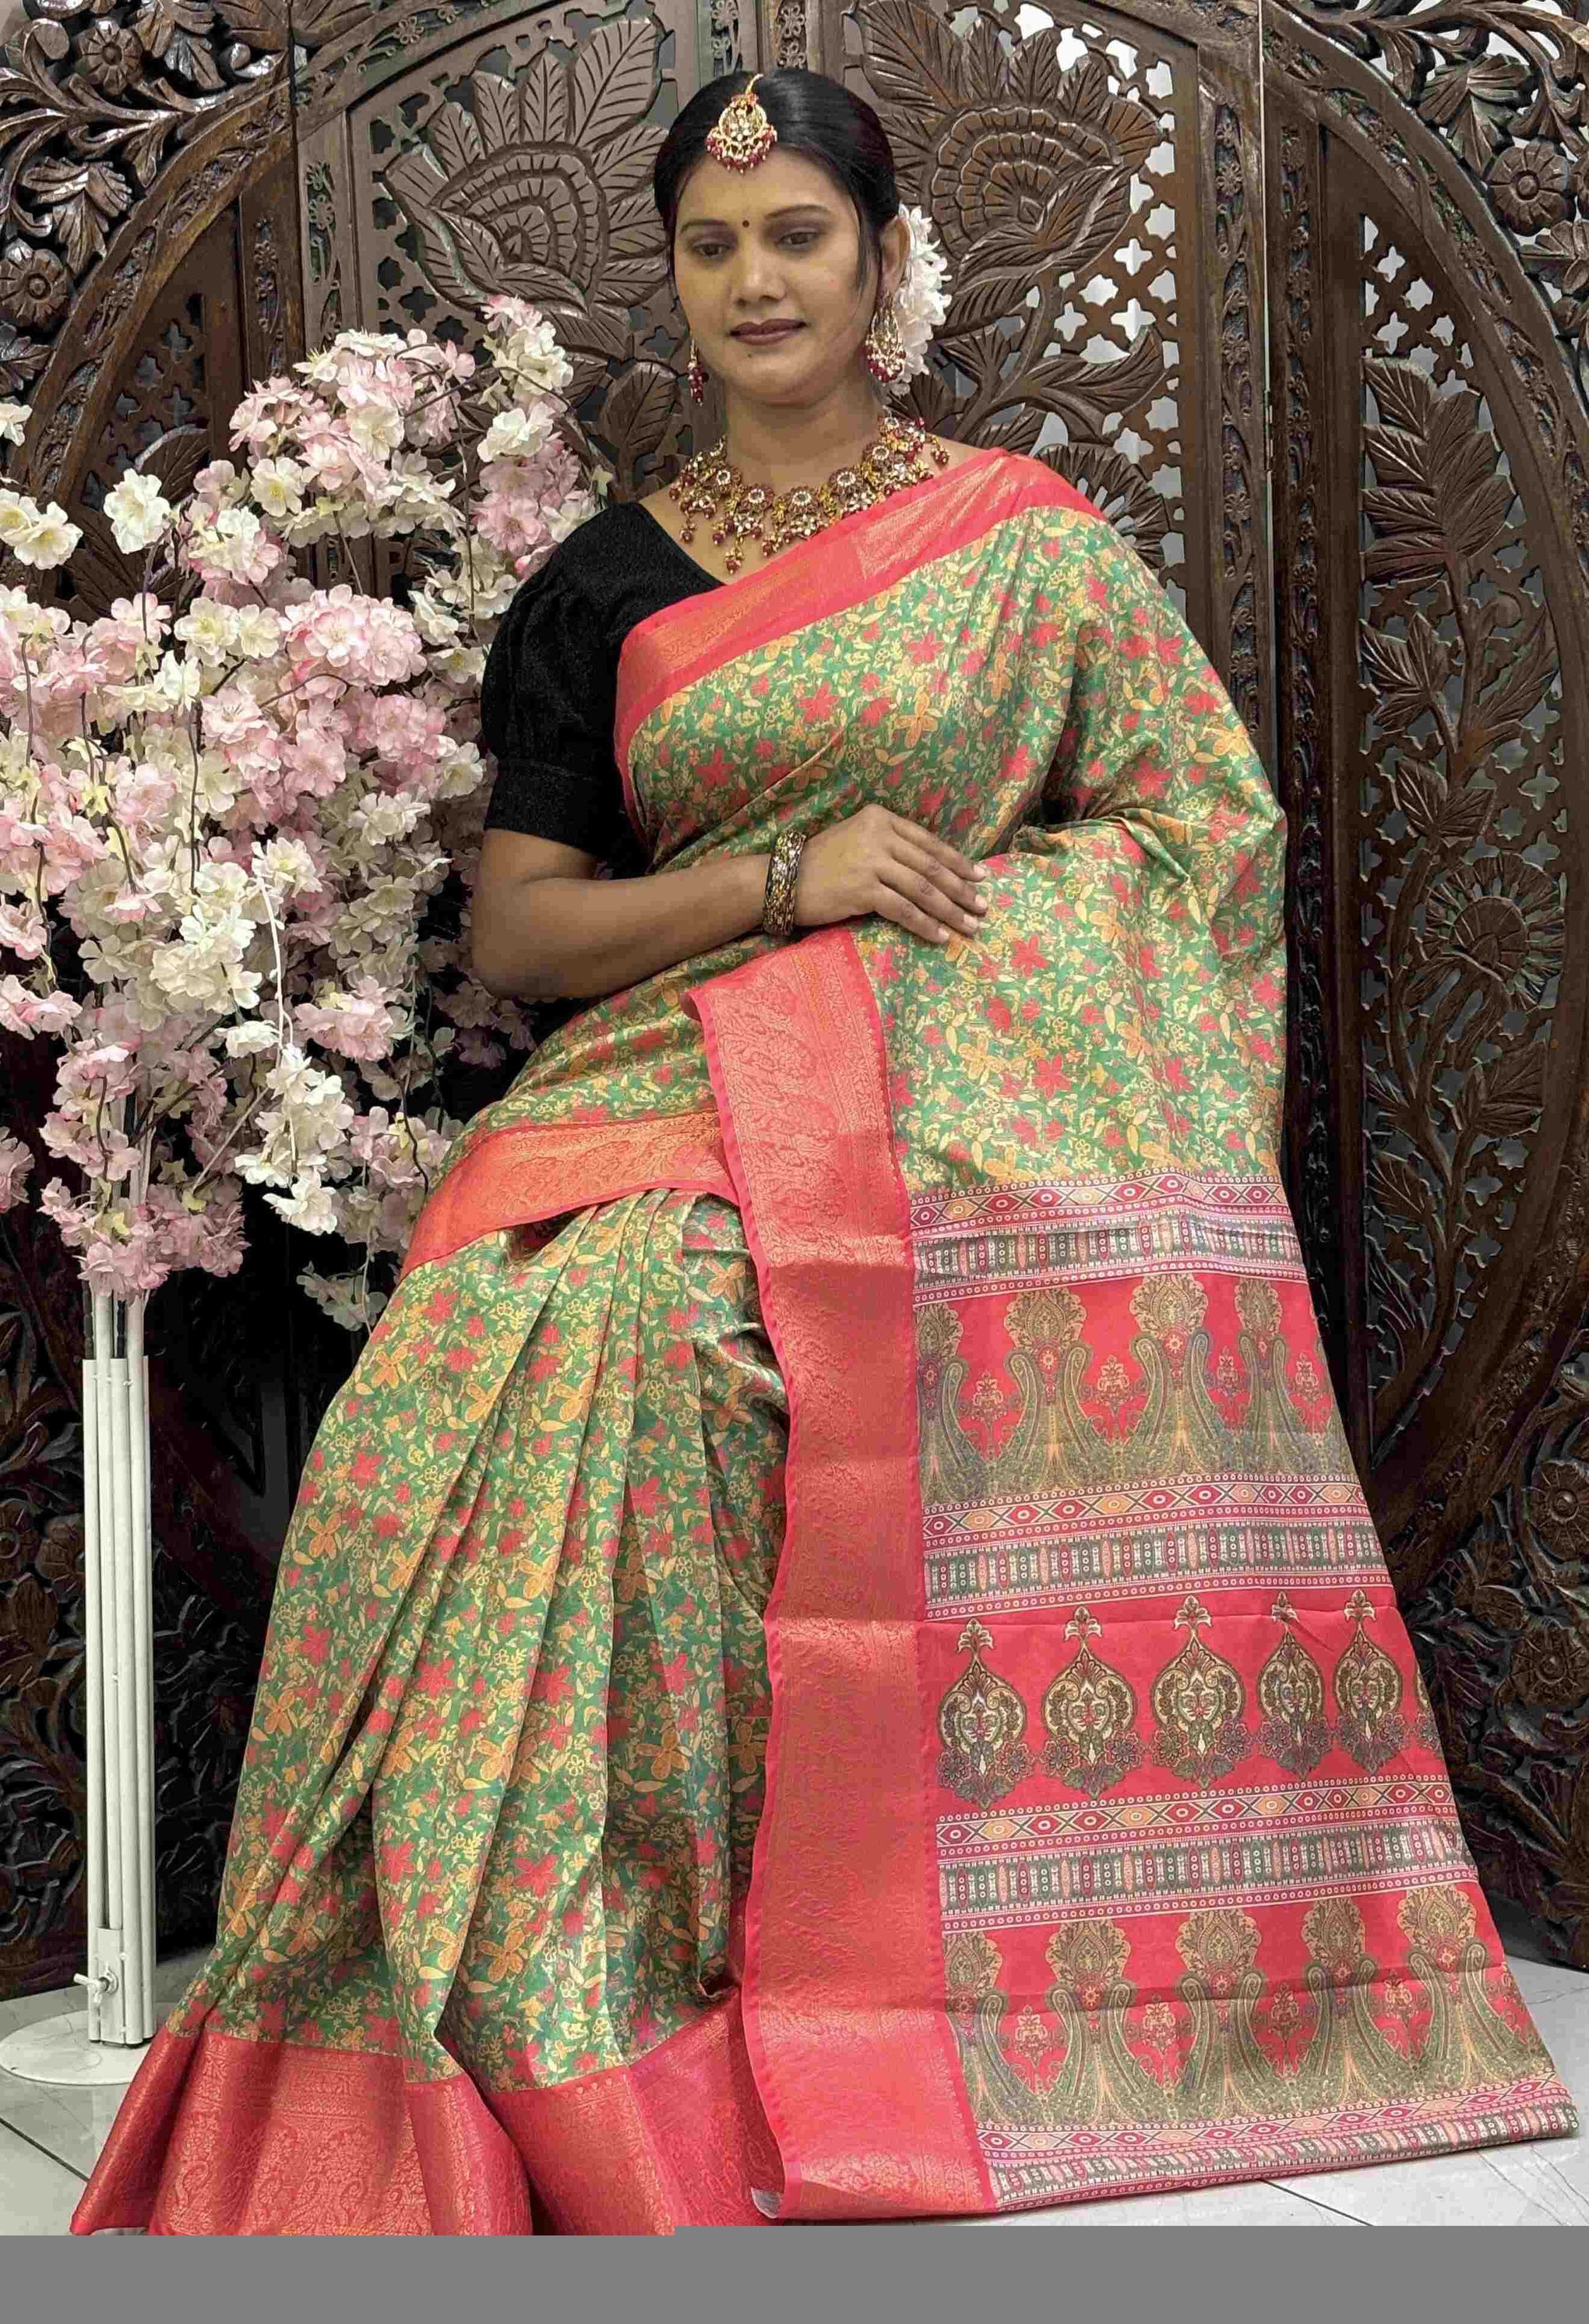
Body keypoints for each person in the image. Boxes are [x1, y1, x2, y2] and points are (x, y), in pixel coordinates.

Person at [74, 67, 1574, 2236]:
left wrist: (942, 946)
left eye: (797, 237)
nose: (755, 280)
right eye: (712, 245)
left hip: (969, 1124)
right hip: (662, 1085)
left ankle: (828, 1982)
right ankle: (549, 1980)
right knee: (521, 1358)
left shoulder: (1030, 547)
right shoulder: (602, 585)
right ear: (675, 281)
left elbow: (1196, 840)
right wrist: (793, 885)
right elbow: (525, 930)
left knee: (680, 1339)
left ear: (884, 261)